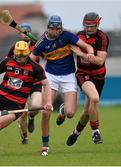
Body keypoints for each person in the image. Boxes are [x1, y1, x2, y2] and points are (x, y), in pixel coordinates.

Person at [0, 41, 53, 158]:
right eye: (18, 55)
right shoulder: (7, 62)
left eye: (23, 56)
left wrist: (48, 102)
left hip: (16, 105)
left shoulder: (35, 68)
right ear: (15, 53)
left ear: (27, 54)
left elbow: (46, 85)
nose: (20, 58)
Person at [30, 15, 95, 155]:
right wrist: (38, 66)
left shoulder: (67, 36)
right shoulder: (41, 42)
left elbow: (87, 46)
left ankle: (62, 110)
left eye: (58, 29)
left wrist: (89, 53)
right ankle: (45, 145)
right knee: (45, 111)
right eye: (53, 29)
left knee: (71, 113)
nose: (56, 32)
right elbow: (31, 60)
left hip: (69, 76)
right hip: (51, 77)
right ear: (48, 28)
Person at [66, 12, 109, 146]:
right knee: (94, 98)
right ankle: (95, 131)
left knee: (87, 112)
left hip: (99, 76)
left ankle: (76, 132)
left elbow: (100, 61)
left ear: (97, 24)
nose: (89, 28)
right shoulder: (78, 36)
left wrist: (81, 54)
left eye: (92, 26)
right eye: (86, 26)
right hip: (83, 74)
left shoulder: (102, 38)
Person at [7, 23, 41, 144]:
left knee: (36, 107)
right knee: (22, 112)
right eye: (22, 31)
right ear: (19, 34)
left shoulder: (37, 46)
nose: (24, 34)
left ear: (30, 33)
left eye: (27, 31)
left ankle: (32, 117)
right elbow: (8, 62)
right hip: (21, 83)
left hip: (35, 81)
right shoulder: (15, 47)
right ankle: (24, 136)